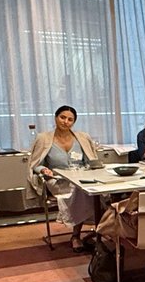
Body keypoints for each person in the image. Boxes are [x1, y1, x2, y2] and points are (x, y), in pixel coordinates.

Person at [27, 104, 103, 251]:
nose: (65, 122)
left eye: (70, 119)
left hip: (80, 177)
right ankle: (76, 235)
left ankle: (100, 230)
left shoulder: (82, 138)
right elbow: (35, 164)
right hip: (57, 179)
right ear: (56, 118)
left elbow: (90, 160)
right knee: (79, 192)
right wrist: (43, 170)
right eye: (62, 117)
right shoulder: (43, 138)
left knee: (98, 192)